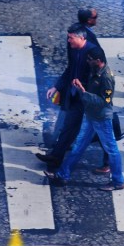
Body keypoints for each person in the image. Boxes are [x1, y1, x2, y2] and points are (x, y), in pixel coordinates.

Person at [44, 47, 124, 191]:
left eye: (90, 60)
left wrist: (83, 92)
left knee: (112, 150)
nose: (87, 62)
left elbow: (105, 101)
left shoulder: (106, 77)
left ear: (98, 61)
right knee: (79, 146)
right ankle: (63, 175)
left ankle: (118, 181)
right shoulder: (95, 71)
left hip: (101, 119)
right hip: (90, 116)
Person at [37, 23, 98, 169]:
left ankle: (107, 159)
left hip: (88, 98)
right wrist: (57, 86)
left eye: (71, 38)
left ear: (81, 38)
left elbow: (98, 79)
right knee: (69, 126)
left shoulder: (93, 54)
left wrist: (85, 90)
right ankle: (56, 157)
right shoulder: (74, 50)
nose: (68, 41)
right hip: (75, 96)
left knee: (101, 131)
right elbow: (70, 69)